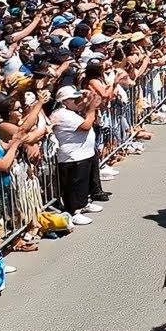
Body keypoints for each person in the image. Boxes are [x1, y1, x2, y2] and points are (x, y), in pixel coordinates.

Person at [50, 86, 100, 226]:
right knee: (74, 185)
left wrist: (90, 99)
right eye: (76, 99)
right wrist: (91, 108)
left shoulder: (72, 112)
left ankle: (83, 203)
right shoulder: (62, 114)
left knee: (83, 183)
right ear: (65, 101)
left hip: (84, 154)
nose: (80, 101)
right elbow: (86, 126)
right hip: (72, 157)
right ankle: (73, 211)